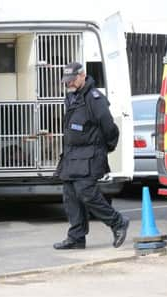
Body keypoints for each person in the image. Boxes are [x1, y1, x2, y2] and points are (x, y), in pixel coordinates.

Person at [54, 61, 129, 250]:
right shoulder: (72, 97)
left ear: (82, 75)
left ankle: (118, 222)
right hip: (72, 155)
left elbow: (110, 127)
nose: (68, 84)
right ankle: (76, 237)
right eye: (66, 81)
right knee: (70, 195)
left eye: (72, 80)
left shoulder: (94, 98)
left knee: (86, 193)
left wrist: (106, 147)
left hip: (90, 155)